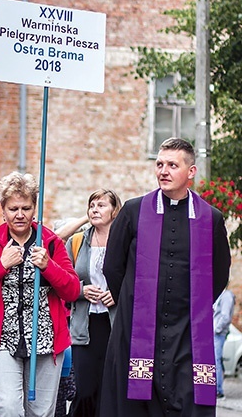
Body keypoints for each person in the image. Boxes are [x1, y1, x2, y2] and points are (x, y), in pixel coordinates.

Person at [98, 138, 231, 417]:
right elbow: (112, 266)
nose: (163, 171)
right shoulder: (133, 211)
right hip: (137, 329)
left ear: (191, 172)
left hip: (188, 332)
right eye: (159, 164)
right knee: (135, 404)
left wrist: (195, 306)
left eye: (172, 165)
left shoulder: (211, 218)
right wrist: (134, 302)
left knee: (190, 398)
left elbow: (219, 274)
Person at [0, 171, 80, 417]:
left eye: (26, 208)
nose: (19, 214)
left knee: (41, 412)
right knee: (7, 408)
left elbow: (72, 290)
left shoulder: (50, 243)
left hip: (45, 340)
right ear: (3, 210)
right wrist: (1, 265)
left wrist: (49, 266)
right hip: (1, 340)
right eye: (13, 208)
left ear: (34, 208)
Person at [66, 189, 122, 417]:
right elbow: (63, 280)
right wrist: (81, 290)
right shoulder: (77, 241)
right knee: (85, 390)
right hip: (84, 326)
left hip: (115, 324)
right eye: (92, 206)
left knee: (110, 391)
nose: (95, 210)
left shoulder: (126, 242)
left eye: (101, 205)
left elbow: (137, 280)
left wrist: (117, 293)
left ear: (114, 210)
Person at [213, 288, 236, 399]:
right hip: (216, 333)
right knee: (216, 361)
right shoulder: (221, 295)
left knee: (216, 360)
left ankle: (218, 390)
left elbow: (225, 316)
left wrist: (215, 330)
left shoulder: (226, 295)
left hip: (218, 334)